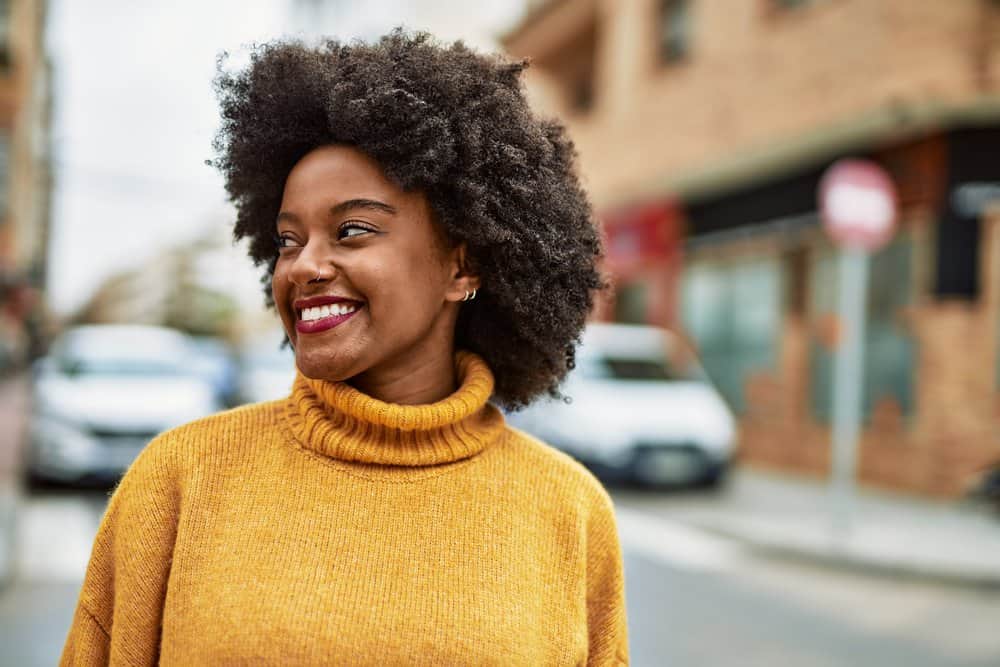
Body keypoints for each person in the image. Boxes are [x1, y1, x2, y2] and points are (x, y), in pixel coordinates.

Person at [61, 30, 628, 665]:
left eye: (352, 230)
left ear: (462, 267)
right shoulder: (179, 479)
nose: (303, 266)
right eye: (287, 240)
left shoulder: (568, 509)